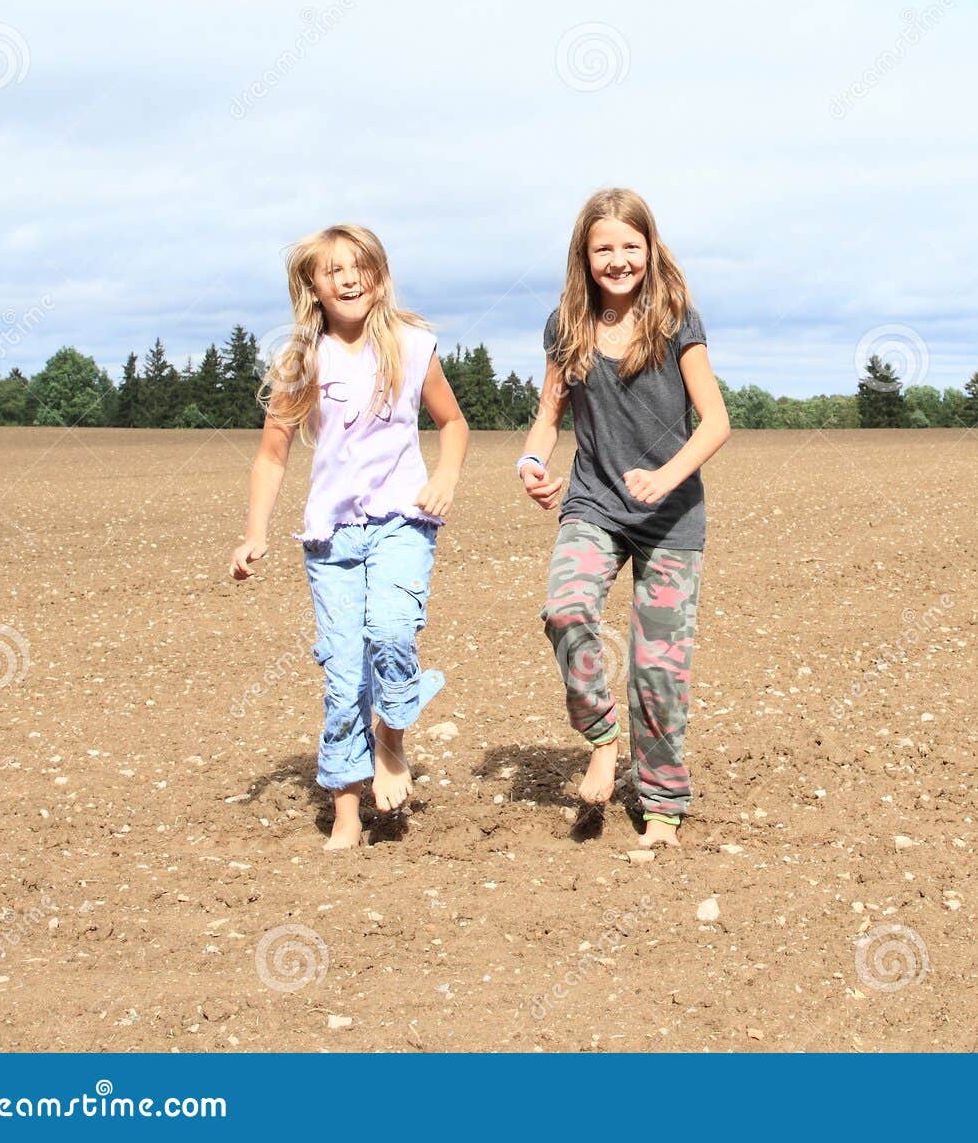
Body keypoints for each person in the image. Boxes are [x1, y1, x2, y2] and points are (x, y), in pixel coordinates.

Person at [229, 224, 468, 850]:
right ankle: (345, 813)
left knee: (391, 632)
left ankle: (391, 737)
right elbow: (272, 456)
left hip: (402, 521)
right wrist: (254, 533)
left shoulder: (412, 347)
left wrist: (444, 475)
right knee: (343, 674)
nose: (347, 277)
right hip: (330, 537)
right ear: (312, 285)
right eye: (332, 269)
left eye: (359, 265)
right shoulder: (301, 362)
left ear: (379, 274)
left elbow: (453, 422)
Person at [518, 188, 730, 851]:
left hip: (671, 517)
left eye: (629, 246)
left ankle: (662, 805)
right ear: (584, 254)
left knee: (657, 668)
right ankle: (603, 737)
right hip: (594, 503)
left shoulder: (675, 319)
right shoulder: (567, 327)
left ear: (650, 247)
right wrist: (531, 459)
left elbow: (717, 421)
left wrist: (667, 477)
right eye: (603, 247)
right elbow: (549, 417)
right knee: (564, 609)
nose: (617, 260)